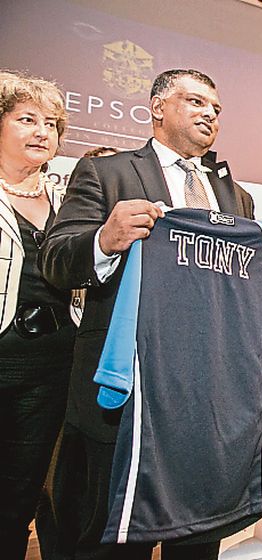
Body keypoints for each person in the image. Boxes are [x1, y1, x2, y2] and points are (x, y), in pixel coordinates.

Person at [39, 68, 262, 560]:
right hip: (126, 394)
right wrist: (105, 240)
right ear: (158, 108)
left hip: (207, 401)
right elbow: (55, 259)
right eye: (196, 102)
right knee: (111, 541)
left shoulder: (237, 198)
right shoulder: (107, 172)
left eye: (217, 109)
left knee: (200, 540)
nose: (210, 115)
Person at [0, 70, 75, 560]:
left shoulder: (68, 196)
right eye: (27, 119)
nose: (42, 131)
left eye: (51, 123)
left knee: (20, 491)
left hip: (52, 361)